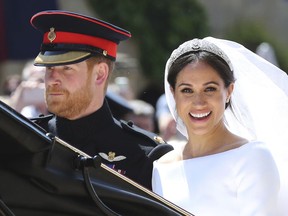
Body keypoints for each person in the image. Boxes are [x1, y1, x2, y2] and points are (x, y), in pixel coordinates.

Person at [29, 10, 172, 189]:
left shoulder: (146, 157)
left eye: (66, 68)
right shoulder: (25, 137)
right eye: (48, 68)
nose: (51, 79)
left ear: (100, 74)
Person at [152, 37, 288, 215]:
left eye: (210, 89)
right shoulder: (162, 167)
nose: (198, 102)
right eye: (187, 90)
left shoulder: (251, 157)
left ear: (229, 91)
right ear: (173, 93)